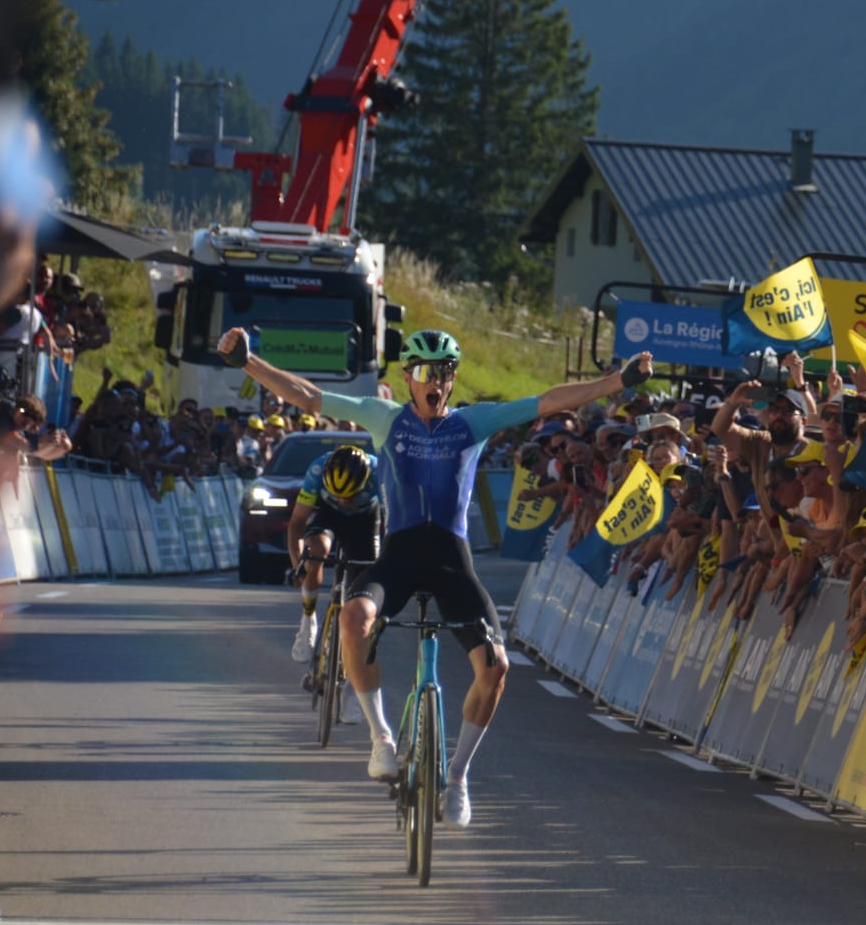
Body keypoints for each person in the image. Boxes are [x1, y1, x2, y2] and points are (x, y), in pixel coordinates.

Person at [218, 324, 653, 827]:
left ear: (452, 378)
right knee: (354, 618)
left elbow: (550, 400)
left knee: (496, 669)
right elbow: (310, 396)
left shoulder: (472, 423)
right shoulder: (384, 417)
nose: (436, 381)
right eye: (426, 372)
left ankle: (459, 774)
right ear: (407, 377)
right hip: (399, 554)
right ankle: (381, 738)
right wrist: (248, 363)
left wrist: (616, 382)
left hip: (451, 559)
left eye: (444, 372)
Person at [286, 443, 383, 661]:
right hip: (327, 515)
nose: (344, 502)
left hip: (365, 520)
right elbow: (296, 524)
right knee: (317, 551)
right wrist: (297, 566)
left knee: (365, 579)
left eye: (350, 495)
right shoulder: (317, 471)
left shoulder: (380, 474)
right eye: (338, 495)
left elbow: (397, 524)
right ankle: (308, 620)